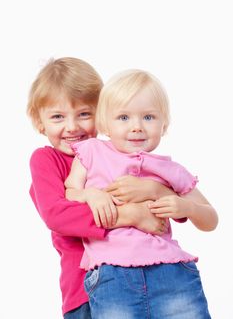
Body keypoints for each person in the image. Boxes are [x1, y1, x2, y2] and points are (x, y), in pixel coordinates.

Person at [27, 58, 181, 319]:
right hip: (84, 287)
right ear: (40, 123)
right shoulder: (46, 160)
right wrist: (131, 215)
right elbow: (57, 214)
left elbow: (164, 200)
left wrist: (155, 194)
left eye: (84, 114)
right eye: (57, 117)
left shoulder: (114, 152)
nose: (72, 127)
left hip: (144, 276)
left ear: (102, 115)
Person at [65, 69, 218, 319]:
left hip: (171, 274)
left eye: (148, 117)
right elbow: (70, 192)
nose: (137, 127)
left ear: (164, 125)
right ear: (104, 124)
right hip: (112, 275)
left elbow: (211, 219)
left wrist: (186, 207)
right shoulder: (91, 151)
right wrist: (92, 195)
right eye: (123, 118)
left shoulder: (171, 169)